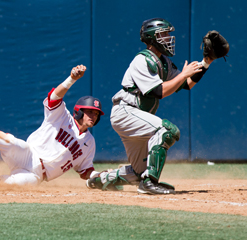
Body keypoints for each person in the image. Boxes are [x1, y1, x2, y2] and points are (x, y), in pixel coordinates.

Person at [86, 18, 214, 195]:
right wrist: (183, 74)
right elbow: (158, 91)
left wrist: (206, 62)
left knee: (139, 173)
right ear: (152, 38)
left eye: (168, 34)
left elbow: (186, 84)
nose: (169, 38)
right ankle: (150, 182)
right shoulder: (142, 60)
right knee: (167, 131)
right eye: (164, 34)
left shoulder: (164, 62)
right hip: (125, 112)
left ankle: (101, 180)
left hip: (135, 114)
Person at [0, 65, 104, 186]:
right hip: (29, 155)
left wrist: (99, 176)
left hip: (37, 176)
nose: (93, 116)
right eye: (90, 112)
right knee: (9, 141)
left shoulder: (89, 143)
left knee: (13, 185)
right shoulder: (62, 116)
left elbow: (85, 170)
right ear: (78, 112)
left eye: (96, 114)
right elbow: (54, 97)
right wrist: (71, 79)